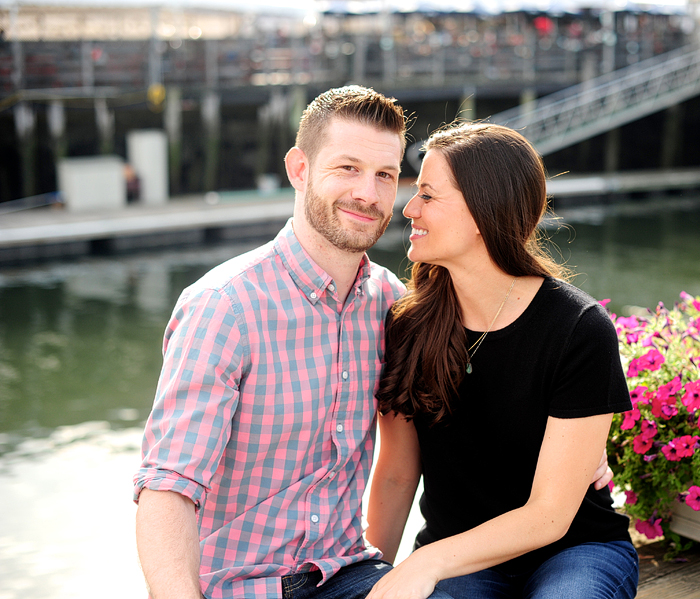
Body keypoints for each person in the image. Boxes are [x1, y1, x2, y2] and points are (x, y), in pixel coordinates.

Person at [133, 85, 451, 599]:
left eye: (385, 175)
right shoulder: (224, 307)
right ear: (299, 169)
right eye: (347, 168)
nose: (368, 194)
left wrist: (581, 438)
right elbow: (168, 487)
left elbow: (488, 366)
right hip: (238, 587)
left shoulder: (392, 303)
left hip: (346, 571)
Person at [366, 123, 639, 599]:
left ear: (481, 211)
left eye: (428, 195)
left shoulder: (580, 329)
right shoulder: (406, 325)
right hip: (459, 559)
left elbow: (550, 516)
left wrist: (425, 562)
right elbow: (395, 473)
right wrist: (372, 577)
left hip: (575, 551)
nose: (408, 208)